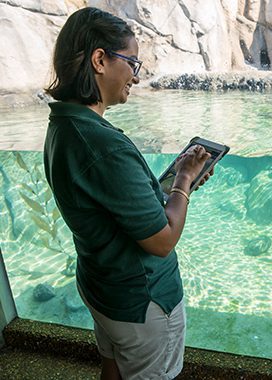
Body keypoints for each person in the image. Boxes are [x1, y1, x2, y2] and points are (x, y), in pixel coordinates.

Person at [43, 7, 211, 380]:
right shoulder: (103, 145)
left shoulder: (63, 126)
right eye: (132, 62)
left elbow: (112, 203)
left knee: (114, 366)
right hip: (142, 303)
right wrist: (182, 181)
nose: (136, 75)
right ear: (100, 60)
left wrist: (174, 189)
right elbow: (163, 240)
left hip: (103, 287)